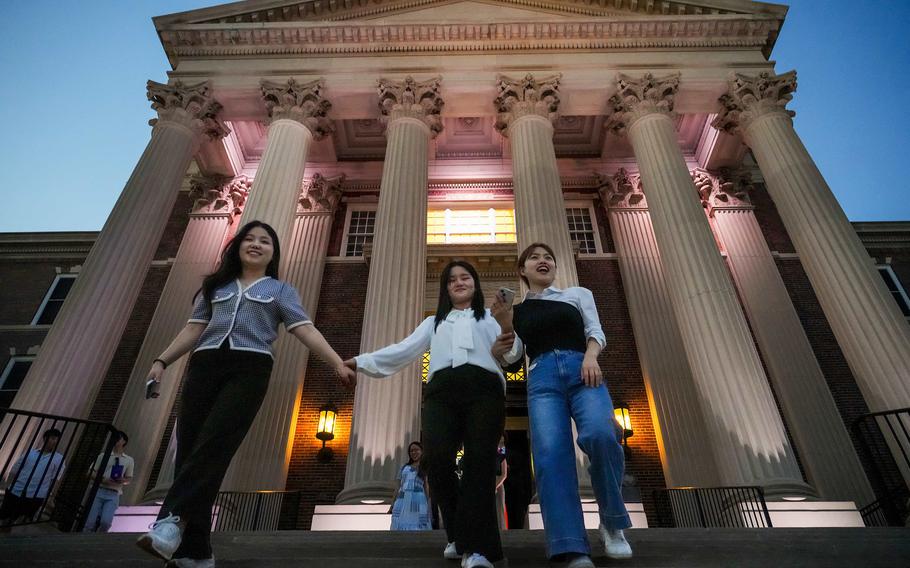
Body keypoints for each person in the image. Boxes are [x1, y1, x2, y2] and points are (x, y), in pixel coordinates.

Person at [136, 220, 355, 568]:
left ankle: (170, 522)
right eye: (249, 239)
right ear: (237, 246)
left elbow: (304, 328)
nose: (256, 244)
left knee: (214, 443)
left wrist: (335, 363)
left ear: (273, 252)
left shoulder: (281, 291)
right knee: (189, 448)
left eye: (264, 241)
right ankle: (197, 552)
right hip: (204, 365)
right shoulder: (215, 287)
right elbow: (194, 328)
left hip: (250, 368)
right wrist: (161, 361)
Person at [346, 261, 521, 568]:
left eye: (465, 277)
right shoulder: (434, 323)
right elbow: (403, 349)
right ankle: (458, 534)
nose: (459, 282)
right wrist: (361, 362)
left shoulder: (490, 318)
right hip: (441, 391)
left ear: (476, 284)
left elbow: (513, 354)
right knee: (437, 461)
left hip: (485, 390)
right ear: (445, 288)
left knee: (479, 468)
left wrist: (507, 324)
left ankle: (480, 551)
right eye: (452, 279)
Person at [492, 243, 633, 568]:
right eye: (534, 258)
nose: (543, 261)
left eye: (548, 258)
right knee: (551, 456)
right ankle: (570, 546)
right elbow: (514, 357)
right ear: (522, 271)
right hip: (542, 378)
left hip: (584, 370)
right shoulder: (520, 309)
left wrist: (591, 357)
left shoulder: (578, 294)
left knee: (601, 435)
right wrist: (504, 325)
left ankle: (612, 522)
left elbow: (595, 331)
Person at [0, 428, 65, 530]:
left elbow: (57, 478)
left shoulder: (58, 458)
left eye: (57, 439)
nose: (55, 441)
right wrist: (9, 485)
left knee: (23, 521)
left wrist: (51, 497)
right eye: (53, 438)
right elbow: (15, 469)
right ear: (45, 438)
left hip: (36, 493)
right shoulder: (31, 453)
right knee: (5, 518)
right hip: (17, 489)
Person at [83, 430, 133, 533]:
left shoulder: (129, 460)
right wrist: (102, 479)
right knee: (89, 522)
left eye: (118, 438)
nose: (115, 440)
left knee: (106, 522)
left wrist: (121, 480)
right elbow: (91, 472)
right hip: (98, 490)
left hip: (113, 493)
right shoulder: (103, 456)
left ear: (124, 442)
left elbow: (129, 479)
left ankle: (98, 539)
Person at [390, 441, 432, 531]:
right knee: (399, 522)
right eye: (411, 451)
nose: (413, 453)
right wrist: (392, 503)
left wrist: (428, 504)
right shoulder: (404, 467)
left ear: (422, 451)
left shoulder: (425, 467)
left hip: (418, 499)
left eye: (416, 450)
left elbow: (426, 486)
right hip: (402, 498)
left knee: (418, 524)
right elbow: (398, 486)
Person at [495, 435, 508, 530]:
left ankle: (502, 530)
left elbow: (504, 474)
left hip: (498, 484)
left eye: (502, 442)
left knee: (500, 509)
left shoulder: (501, 454)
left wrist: (496, 486)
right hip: (488, 483)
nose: (501, 444)